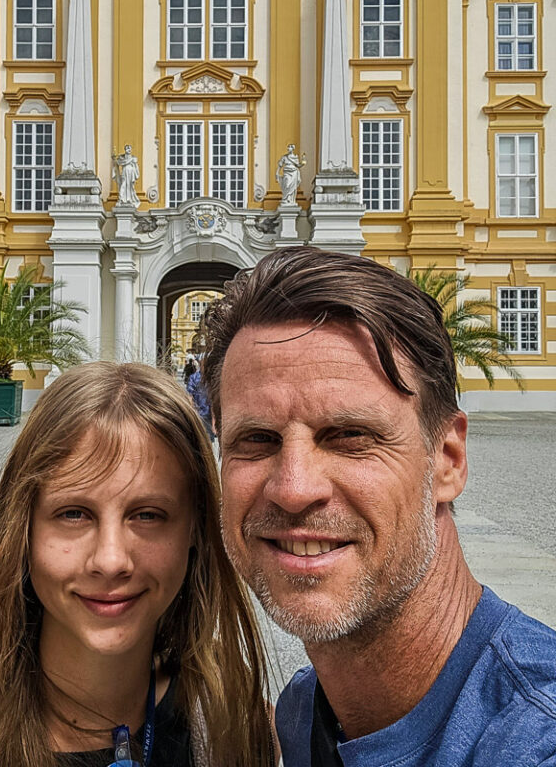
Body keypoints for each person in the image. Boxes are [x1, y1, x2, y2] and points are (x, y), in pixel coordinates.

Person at [202, 246, 556, 767]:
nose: (294, 487)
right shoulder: (304, 711)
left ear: (448, 460)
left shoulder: (533, 737)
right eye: (256, 439)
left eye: (349, 435)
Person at [0, 362, 274, 767]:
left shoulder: (229, 722)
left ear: (195, 531)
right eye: (73, 514)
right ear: (22, 528)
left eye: (148, 515)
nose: (111, 560)